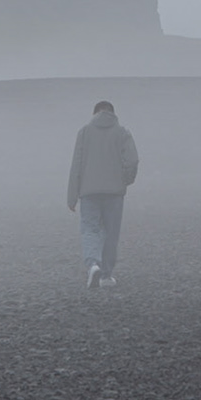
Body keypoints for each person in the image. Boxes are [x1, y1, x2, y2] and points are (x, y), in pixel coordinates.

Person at [67, 100, 139, 289]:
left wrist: (72, 195)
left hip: (88, 192)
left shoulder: (84, 132)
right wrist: (125, 179)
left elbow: (76, 165)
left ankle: (92, 265)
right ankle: (106, 275)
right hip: (114, 192)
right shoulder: (122, 132)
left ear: (94, 113)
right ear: (112, 113)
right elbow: (132, 161)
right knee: (110, 232)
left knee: (90, 229)